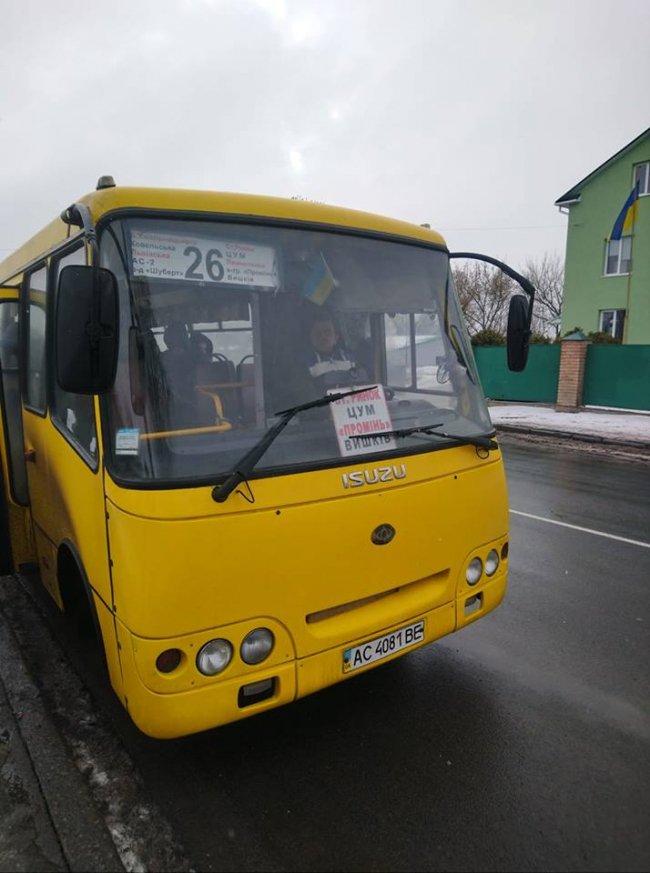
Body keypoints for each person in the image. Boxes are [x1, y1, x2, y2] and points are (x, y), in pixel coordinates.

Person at [305, 315, 367, 390]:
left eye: (327, 332)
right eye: (318, 333)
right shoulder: (305, 363)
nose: (323, 337)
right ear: (311, 339)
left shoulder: (351, 359)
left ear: (336, 337)